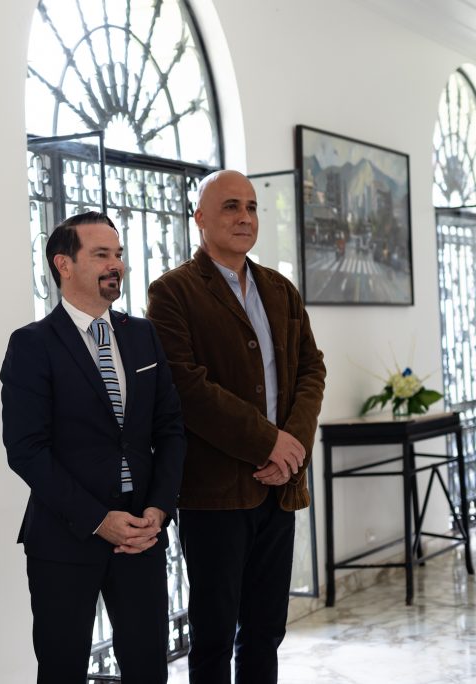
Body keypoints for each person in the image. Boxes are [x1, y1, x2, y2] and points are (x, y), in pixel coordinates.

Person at [146, 170, 326, 684]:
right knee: (214, 636)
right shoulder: (173, 292)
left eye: (251, 206)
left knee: (266, 631)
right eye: (230, 206)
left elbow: (311, 369)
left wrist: (292, 448)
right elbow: (186, 386)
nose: (245, 217)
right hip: (215, 493)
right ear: (200, 218)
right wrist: (269, 442)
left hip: (280, 488)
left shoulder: (280, 289)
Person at [0, 211, 186, 684]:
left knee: (148, 668)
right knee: (62, 669)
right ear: (63, 264)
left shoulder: (142, 335)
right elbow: (26, 449)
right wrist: (99, 520)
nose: (116, 264)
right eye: (101, 254)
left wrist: (159, 509)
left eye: (118, 254)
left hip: (142, 534)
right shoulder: (32, 345)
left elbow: (170, 429)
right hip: (65, 539)